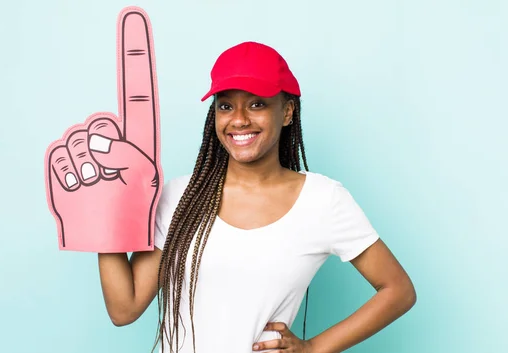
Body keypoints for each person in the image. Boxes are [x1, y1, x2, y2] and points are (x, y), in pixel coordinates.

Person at [97, 41, 416, 353]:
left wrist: (314, 348)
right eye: (225, 105)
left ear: (287, 111)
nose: (238, 119)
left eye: (257, 104)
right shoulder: (181, 196)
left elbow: (398, 290)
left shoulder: (323, 201)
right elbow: (125, 309)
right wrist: (96, 215)